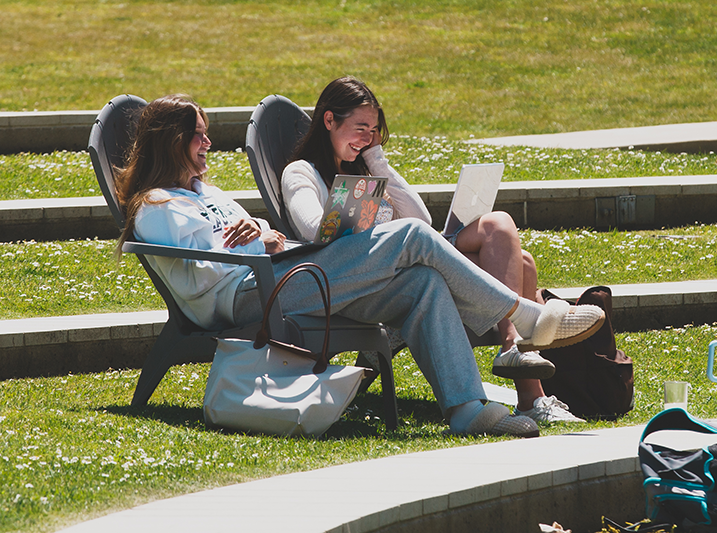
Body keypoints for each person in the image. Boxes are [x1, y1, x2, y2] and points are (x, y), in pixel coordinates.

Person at [116, 94, 604, 439]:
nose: (207, 145)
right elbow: (203, 272)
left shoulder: (207, 193)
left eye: (206, 135)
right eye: (198, 137)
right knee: (412, 236)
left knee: (421, 280)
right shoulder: (157, 206)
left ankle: (466, 407)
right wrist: (254, 243)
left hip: (286, 273)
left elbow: (265, 235)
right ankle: (527, 316)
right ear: (170, 142)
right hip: (249, 295)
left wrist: (264, 235)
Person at [282, 76, 590, 423]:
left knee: (519, 257)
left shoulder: (367, 169)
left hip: (403, 263)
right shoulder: (301, 172)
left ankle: (519, 366)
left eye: (374, 131)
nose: (366, 138)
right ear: (329, 121)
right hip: (351, 276)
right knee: (515, 259)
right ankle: (521, 337)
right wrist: (356, 212)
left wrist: (376, 160)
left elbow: (420, 219)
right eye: (359, 128)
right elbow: (312, 228)